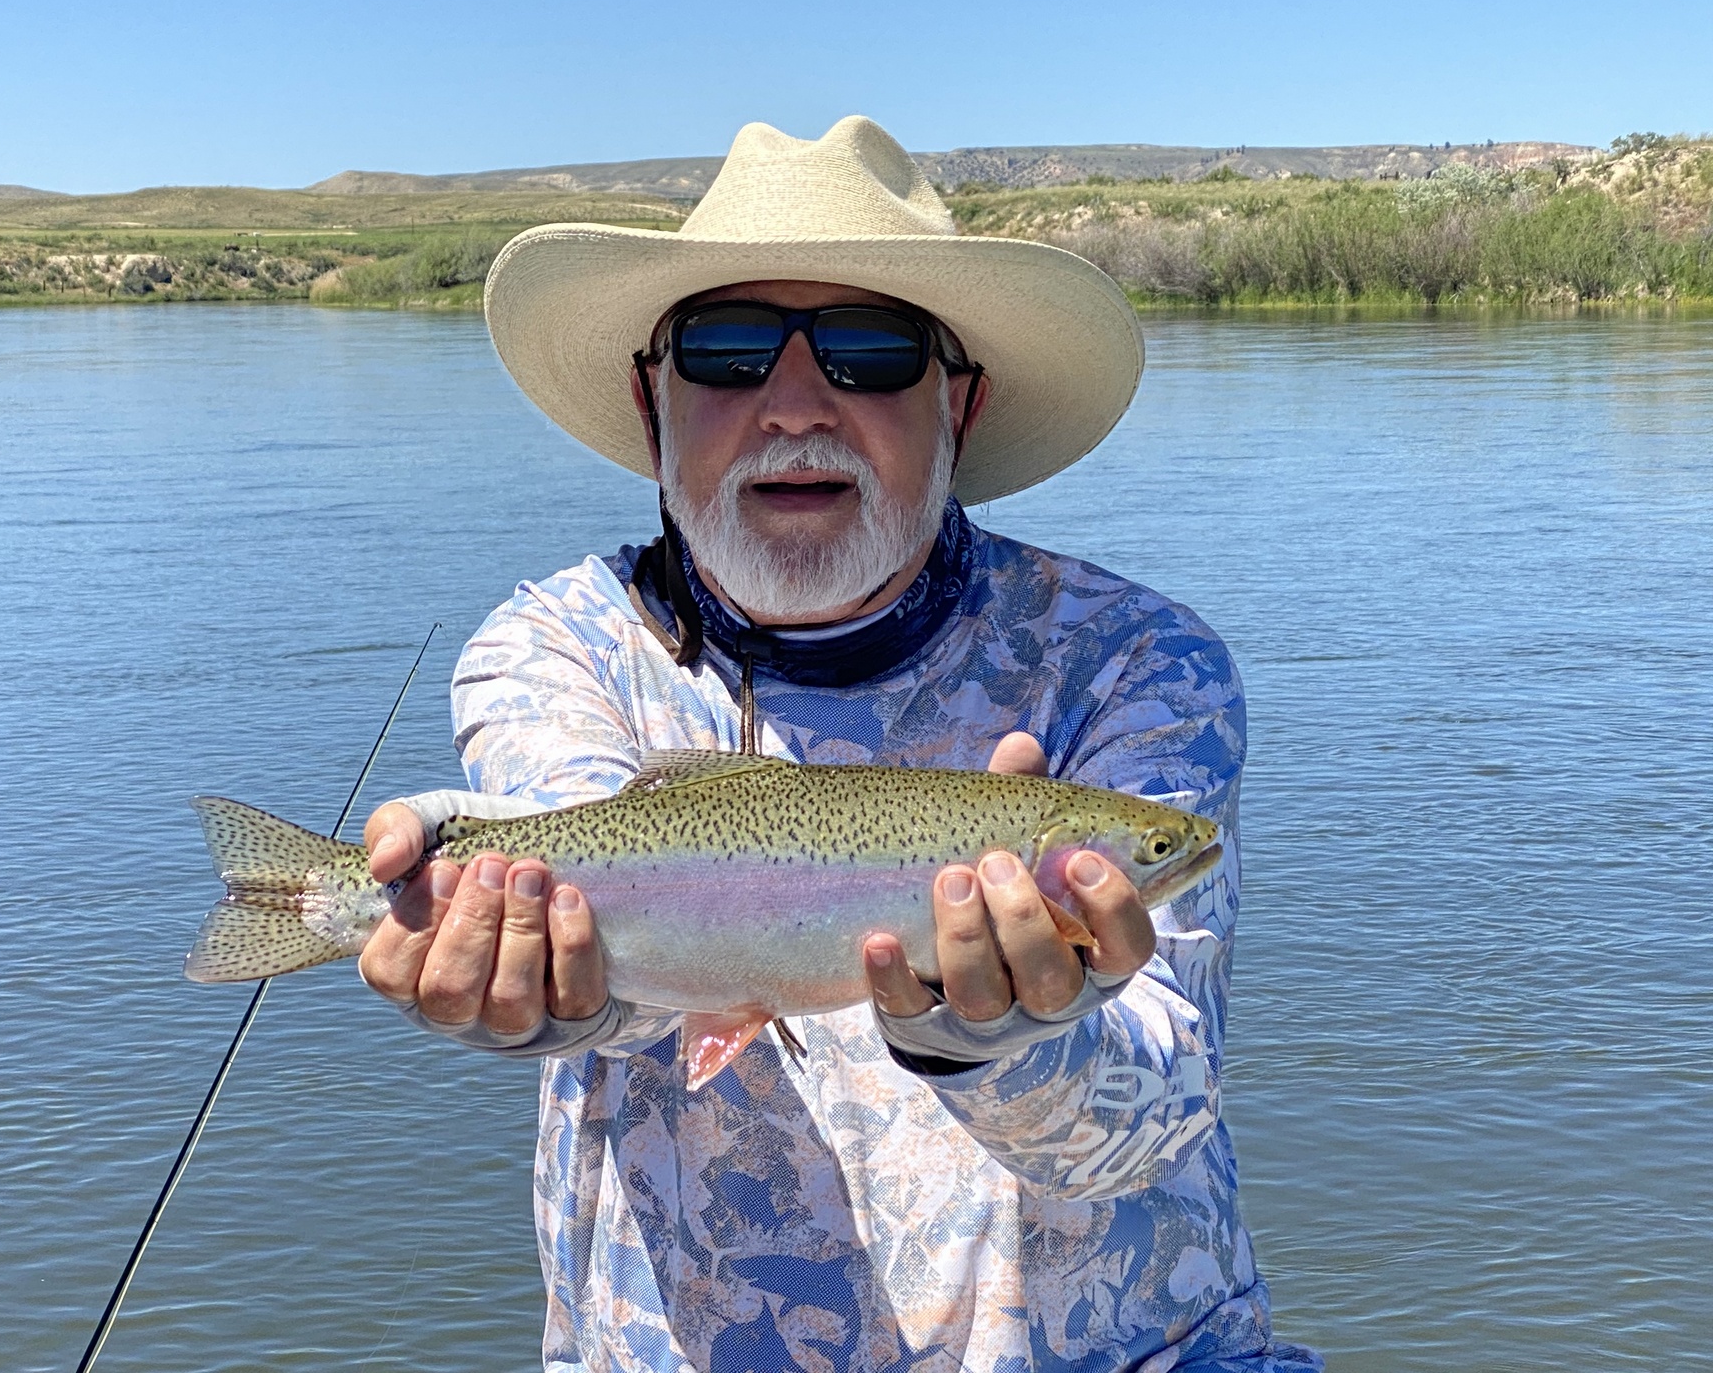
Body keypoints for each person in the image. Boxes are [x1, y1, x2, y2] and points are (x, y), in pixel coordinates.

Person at [358, 117, 1321, 1373]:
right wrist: (497, 937)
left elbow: (1158, 1116)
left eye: (871, 352)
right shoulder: (556, 644)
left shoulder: (1138, 662)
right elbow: (593, 912)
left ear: (959, 404)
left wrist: (1004, 1045)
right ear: (653, 401)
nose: (796, 406)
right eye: (728, 350)